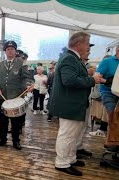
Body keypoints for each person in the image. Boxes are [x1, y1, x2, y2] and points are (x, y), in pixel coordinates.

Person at [49, 32, 101, 176]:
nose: (88, 47)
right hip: (69, 104)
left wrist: (88, 75)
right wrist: (92, 80)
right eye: (87, 43)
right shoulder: (69, 59)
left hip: (73, 104)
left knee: (72, 135)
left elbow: (74, 77)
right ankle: (62, 163)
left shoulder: (71, 58)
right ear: (79, 44)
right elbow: (69, 81)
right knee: (67, 135)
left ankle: (70, 158)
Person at [0, 40, 34, 150]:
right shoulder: (0, 64)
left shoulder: (21, 62)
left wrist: (28, 85)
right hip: (2, 97)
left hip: (16, 96)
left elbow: (26, 77)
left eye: (12, 49)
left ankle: (16, 140)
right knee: (3, 119)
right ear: (5, 51)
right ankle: (3, 139)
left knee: (15, 121)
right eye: (8, 49)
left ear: (15, 51)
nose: (10, 51)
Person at [97, 45, 119, 151]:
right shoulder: (108, 61)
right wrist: (108, 81)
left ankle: (114, 140)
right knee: (112, 114)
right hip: (108, 92)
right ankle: (111, 141)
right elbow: (97, 77)